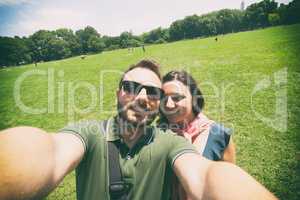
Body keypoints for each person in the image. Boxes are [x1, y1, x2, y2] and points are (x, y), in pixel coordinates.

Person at [0, 59, 277, 200]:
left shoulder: (170, 141)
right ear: (118, 93)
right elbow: (49, 151)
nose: (143, 97)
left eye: (153, 92)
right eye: (131, 87)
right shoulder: (89, 133)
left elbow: (205, 176)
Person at [158, 70, 236, 200]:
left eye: (177, 98)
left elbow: (228, 184)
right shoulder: (156, 134)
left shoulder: (220, 136)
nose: (168, 105)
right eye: (163, 98)